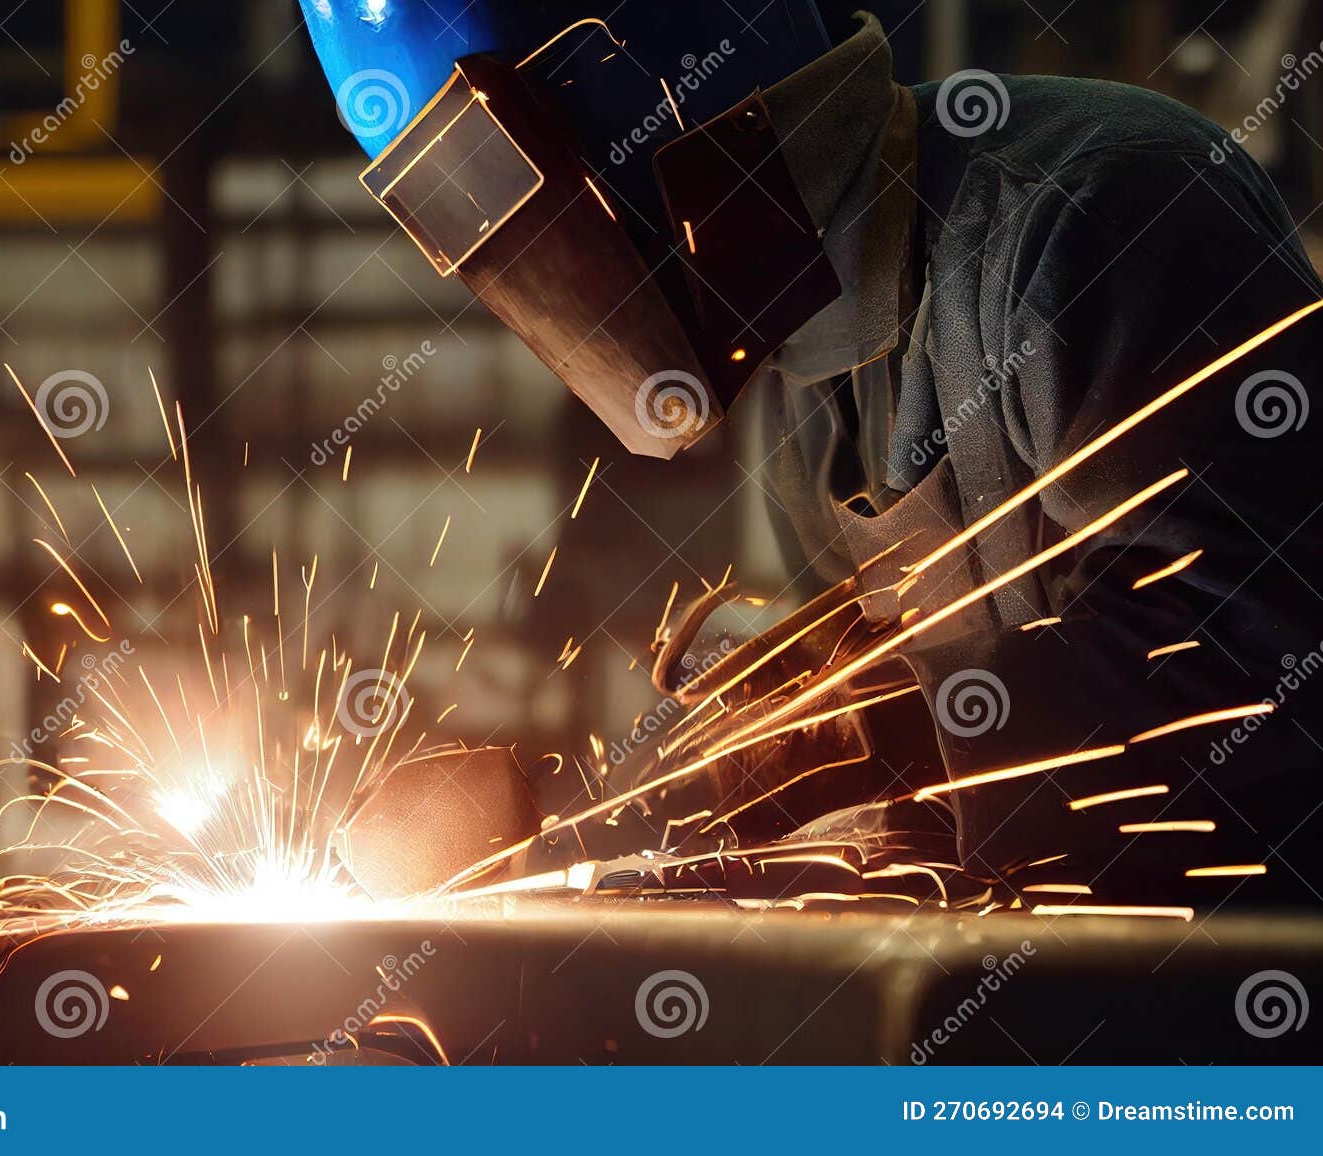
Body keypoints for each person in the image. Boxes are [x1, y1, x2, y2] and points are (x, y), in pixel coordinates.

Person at [299, 2, 1323, 907]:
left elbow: (1256, 669)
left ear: (651, 92)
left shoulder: (1097, 211)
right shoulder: (801, 388)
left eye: (512, 191)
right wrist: (783, 713)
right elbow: (919, 816)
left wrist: (864, 735)